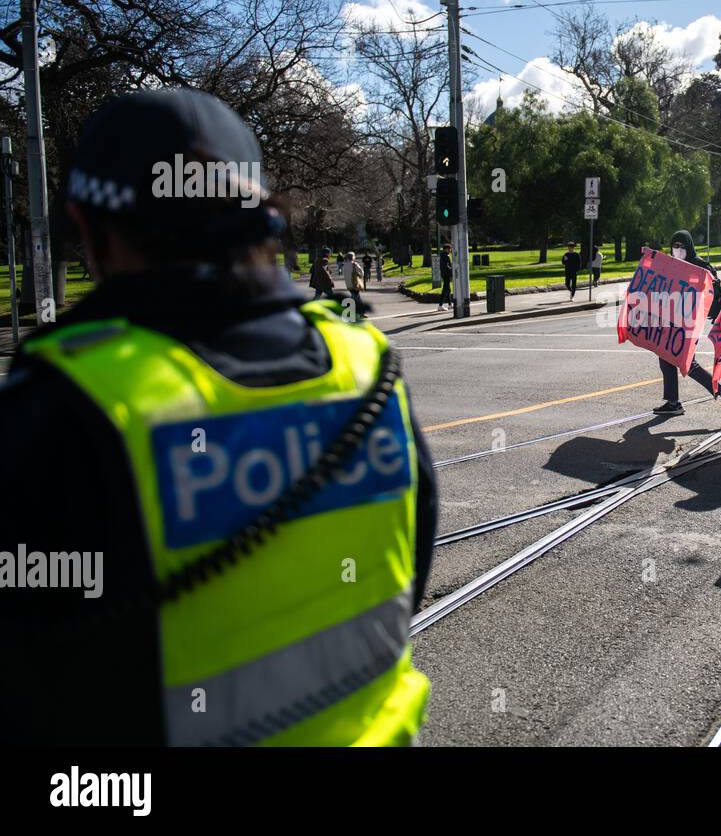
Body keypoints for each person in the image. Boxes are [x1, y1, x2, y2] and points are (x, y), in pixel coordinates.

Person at [0, 88, 435, 745]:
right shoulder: (366, 364)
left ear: (89, 227)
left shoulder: (67, 405)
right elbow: (409, 565)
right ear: (258, 217)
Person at [653, 229, 721, 422]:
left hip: (689, 323)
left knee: (688, 363)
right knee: (666, 357)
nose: (677, 250)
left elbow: (712, 289)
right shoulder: (672, 265)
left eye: (681, 246)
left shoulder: (701, 267)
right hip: (673, 320)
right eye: (674, 246)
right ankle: (673, 402)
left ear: (689, 247)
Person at [437, 241, 454, 311]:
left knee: (448, 290)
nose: (450, 251)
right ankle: (440, 306)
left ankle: (450, 305)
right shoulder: (445, 256)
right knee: (445, 290)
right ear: (446, 249)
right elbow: (446, 266)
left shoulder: (442, 255)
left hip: (444, 274)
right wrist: (452, 269)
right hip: (446, 274)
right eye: (449, 249)